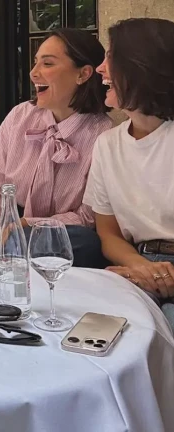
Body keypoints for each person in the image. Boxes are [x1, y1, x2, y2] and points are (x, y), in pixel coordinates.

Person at [0, 28, 113, 268]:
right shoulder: (19, 116)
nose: (33, 73)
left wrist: (27, 225)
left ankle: (10, 255)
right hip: (7, 231)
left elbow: (88, 217)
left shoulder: (104, 135)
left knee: (85, 241)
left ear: (83, 74)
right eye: (35, 63)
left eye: (47, 63)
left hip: (60, 238)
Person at [82, 18, 174, 325]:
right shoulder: (107, 145)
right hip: (139, 265)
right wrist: (140, 266)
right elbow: (107, 233)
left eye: (110, 57)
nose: (99, 69)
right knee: (91, 323)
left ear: (141, 66)